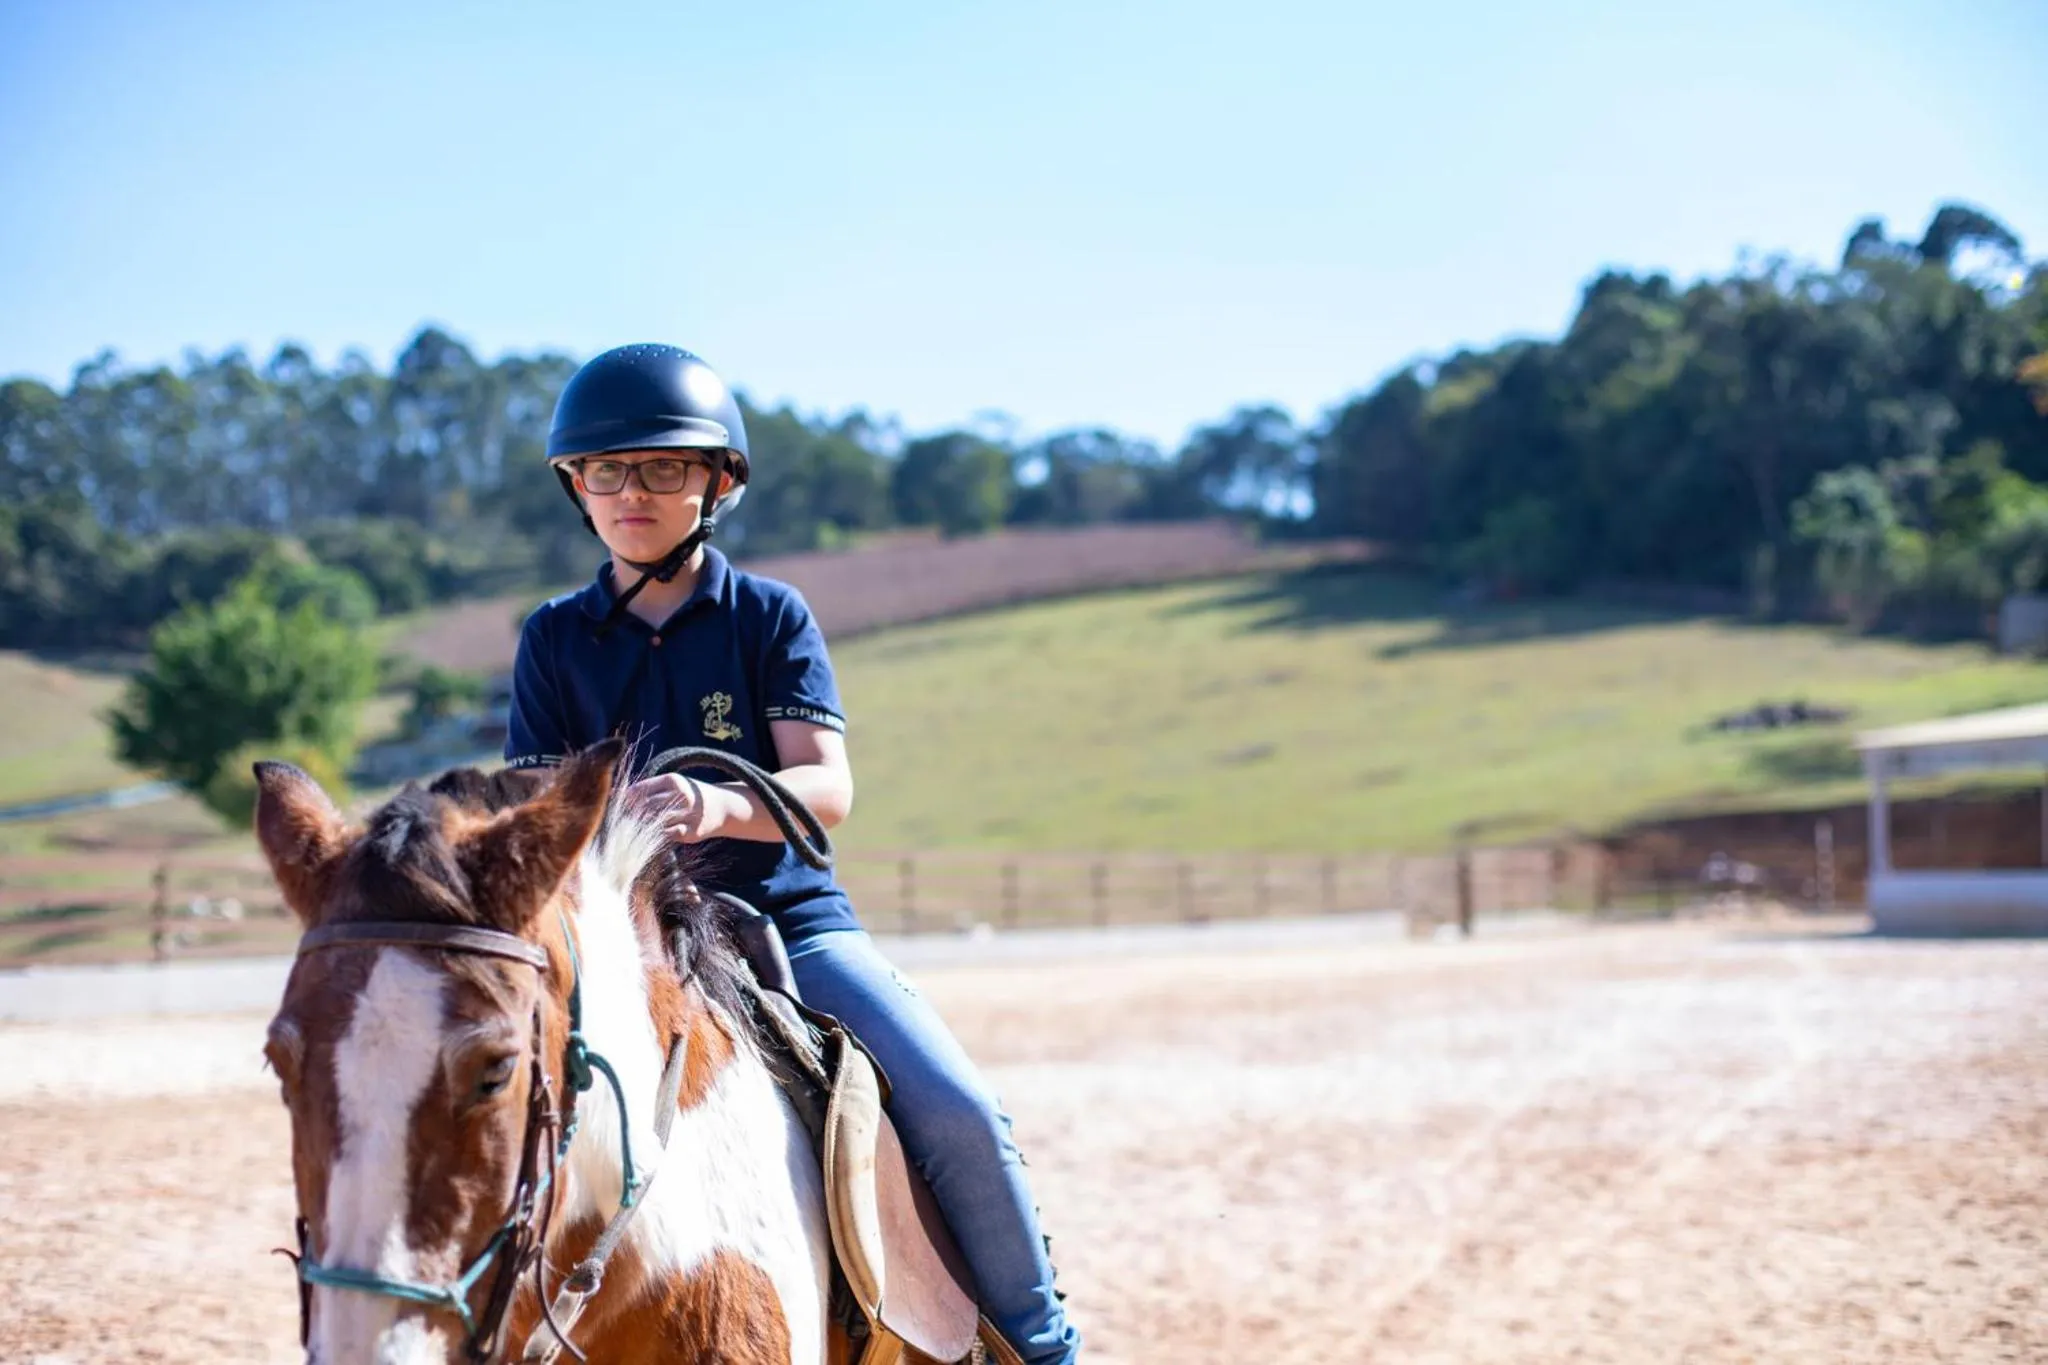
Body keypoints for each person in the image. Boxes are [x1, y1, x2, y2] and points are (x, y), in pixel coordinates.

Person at [504, 343, 1080, 1365]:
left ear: (717, 482)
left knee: (957, 1113)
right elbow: (538, 809)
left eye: (663, 468)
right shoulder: (551, 640)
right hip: (619, 941)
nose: (630, 492)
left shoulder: (768, 617)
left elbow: (827, 790)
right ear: (573, 487)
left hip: (786, 929)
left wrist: (711, 803)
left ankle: (1043, 1347)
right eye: (605, 471)